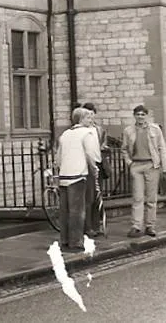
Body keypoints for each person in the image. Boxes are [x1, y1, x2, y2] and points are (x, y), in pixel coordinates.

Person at [55, 107, 101, 253]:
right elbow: (92, 154)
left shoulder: (65, 134)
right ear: (81, 119)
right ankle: (76, 242)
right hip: (78, 175)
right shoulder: (87, 133)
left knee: (65, 210)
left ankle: (64, 240)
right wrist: (94, 167)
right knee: (77, 211)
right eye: (88, 118)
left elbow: (58, 157)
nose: (91, 120)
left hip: (64, 176)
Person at [121, 105, 166, 237]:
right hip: (136, 166)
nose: (140, 117)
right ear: (134, 116)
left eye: (143, 114)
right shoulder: (128, 131)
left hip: (151, 165)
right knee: (137, 197)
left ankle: (150, 226)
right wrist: (129, 163)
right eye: (138, 114)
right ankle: (136, 226)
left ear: (147, 116)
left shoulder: (155, 129)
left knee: (151, 198)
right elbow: (124, 149)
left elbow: (162, 148)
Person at [81, 102, 108, 237]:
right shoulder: (81, 130)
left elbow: (103, 143)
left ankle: (97, 225)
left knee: (98, 196)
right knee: (88, 197)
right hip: (85, 167)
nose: (90, 117)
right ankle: (88, 226)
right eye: (87, 114)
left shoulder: (99, 129)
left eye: (92, 114)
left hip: (97, 164)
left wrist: (103, 148)